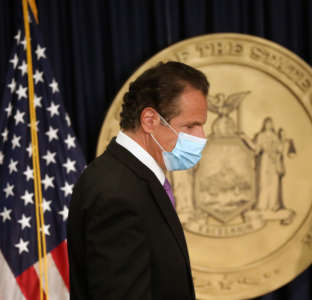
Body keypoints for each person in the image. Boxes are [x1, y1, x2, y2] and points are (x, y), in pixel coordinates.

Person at [67, 61, 209, 300]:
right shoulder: (115, 192)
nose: (201, 137)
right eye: (191, 125)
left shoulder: (131, 177)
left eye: (201, 126)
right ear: (150, 120)